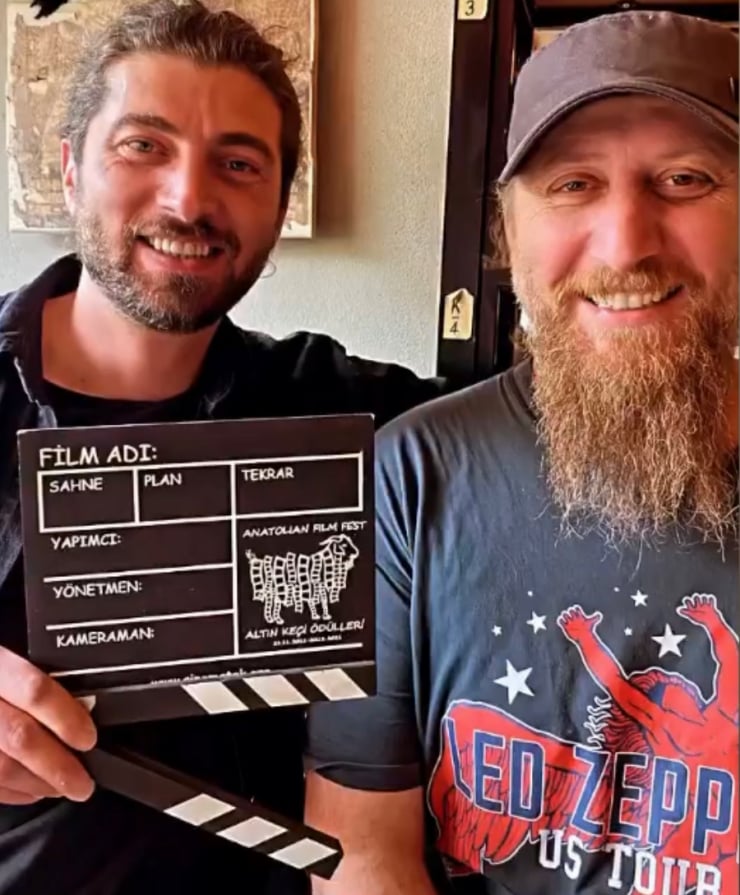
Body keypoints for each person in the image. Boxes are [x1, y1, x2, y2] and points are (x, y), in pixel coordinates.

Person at [0, 1, 445, 893]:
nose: (189, 199)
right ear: (69, 170)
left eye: (238, 163)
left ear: (280, 201)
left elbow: (542, 425)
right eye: (143, 146)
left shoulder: (338, 409)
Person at [304, 11, 739, 895]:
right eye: (572, 185)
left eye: (686, 179)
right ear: (507, 230)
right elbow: (365, 853)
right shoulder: (404, 481)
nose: (625, 244)